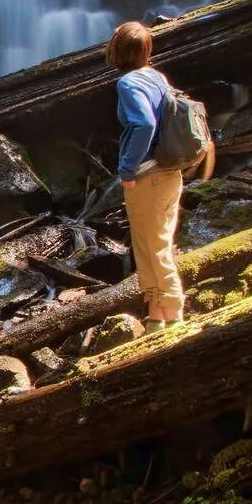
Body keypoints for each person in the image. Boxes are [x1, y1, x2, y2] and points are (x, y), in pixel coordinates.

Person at [106, 19, 184, 330]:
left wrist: (127, 168)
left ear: (118, 51)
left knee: (154, 246)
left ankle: (175, 314)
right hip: (169, 171)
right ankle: (156, 316)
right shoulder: (156, 77)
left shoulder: (127, 84)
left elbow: (144, 124)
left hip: (148, 175)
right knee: (149, 245)